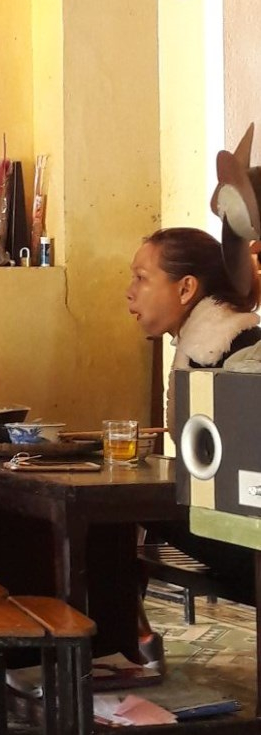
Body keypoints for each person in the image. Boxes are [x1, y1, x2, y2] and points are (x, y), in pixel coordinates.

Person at [126, 224, 261, 608]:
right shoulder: (198, 349)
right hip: (231, 525)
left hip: (249, 539)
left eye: (141, 278)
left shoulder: (244, 360)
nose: (129, 291)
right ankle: (130, 632)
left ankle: (120, 635)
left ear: (186, 289)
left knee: (117, 508)